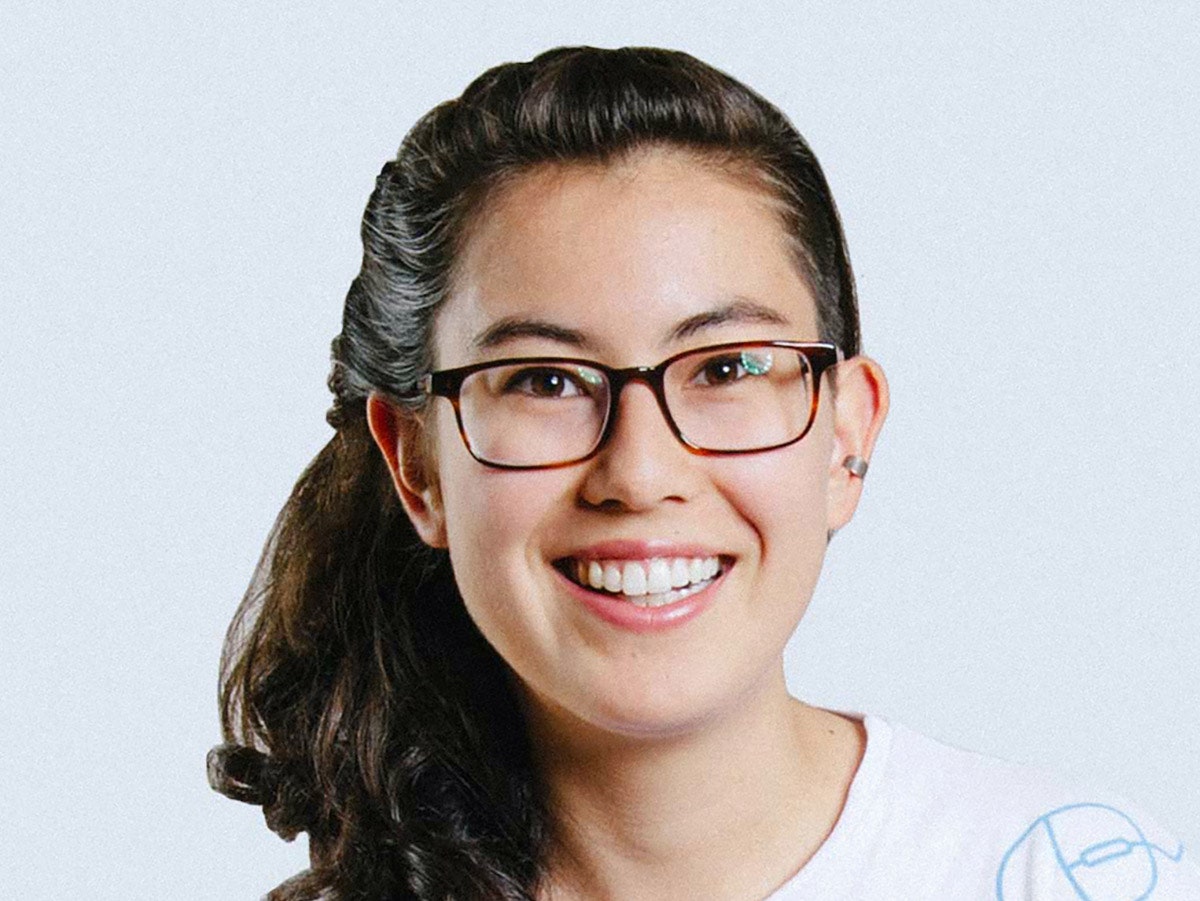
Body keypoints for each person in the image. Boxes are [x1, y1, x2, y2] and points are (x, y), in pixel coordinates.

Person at [208, 46, 1198, 900]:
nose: (640, 471)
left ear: (847, 434)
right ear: (417, 464)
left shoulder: (1068, 874)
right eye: (547, 380)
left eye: (727, 367)